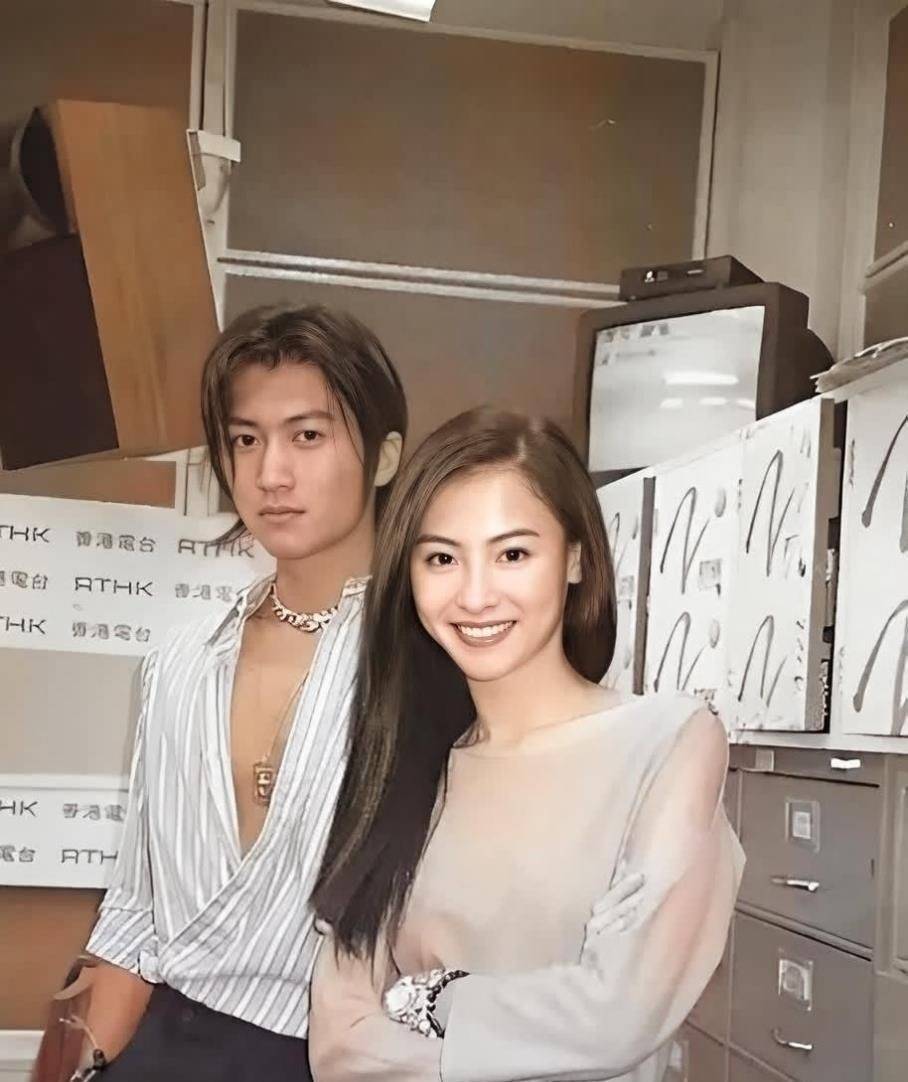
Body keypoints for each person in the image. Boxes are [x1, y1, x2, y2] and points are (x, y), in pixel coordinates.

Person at [309, 407, 745, 1082]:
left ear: (575, 557)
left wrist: (435, 997)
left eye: (512, 554)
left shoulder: (668, 740)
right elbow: (340, 1047)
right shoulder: (404, 766)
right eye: (442, 558)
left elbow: (618, 1015)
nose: (475, 595)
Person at [69, 304, 410, 1082]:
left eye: (307, 436)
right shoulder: (181, 662)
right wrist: (76, 1068)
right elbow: (132, 916)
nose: (270, 474)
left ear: (385, 456)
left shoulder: (428, 664)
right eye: (246, 440)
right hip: (161, 1048)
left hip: (339, 1058)